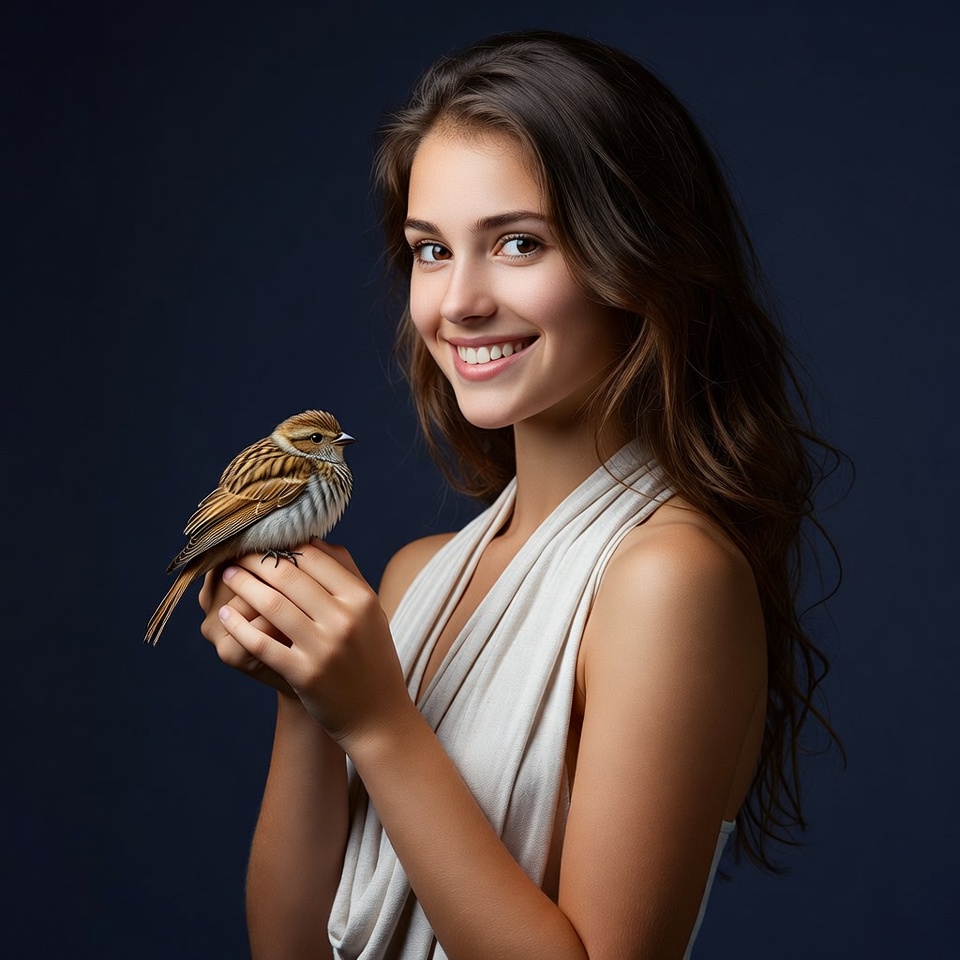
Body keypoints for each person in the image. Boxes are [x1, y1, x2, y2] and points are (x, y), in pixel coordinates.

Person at [199, 29, 841, 959]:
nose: (458, 301)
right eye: (429, 250)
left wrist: (377, 719)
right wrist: (308, 693)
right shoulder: (416, 577)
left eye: (517, 242)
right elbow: (293, 947)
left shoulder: (669, 579)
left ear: (640, 256)